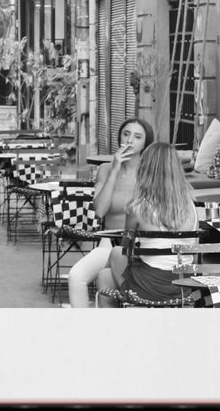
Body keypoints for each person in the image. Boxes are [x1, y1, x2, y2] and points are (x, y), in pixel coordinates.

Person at [65, 118, 154, 308]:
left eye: (137, 137)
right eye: (126, 134)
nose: (130, 140)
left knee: (110, 284)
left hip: (142, 245)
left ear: (145, 143)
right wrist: (114, 169)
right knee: (76, 276)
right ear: (119, 137)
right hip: (109, 242)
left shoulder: (150, 172)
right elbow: (100, 210)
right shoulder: (105, 169)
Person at [96, 141, 198, 307]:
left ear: (145, 170)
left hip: (149, 289)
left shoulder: (137, 207)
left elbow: (127, 250)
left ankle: (119, 326)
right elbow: (193, 257)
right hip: (182, 288)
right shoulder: (191, 207)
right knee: (105, 275)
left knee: (111, 261)